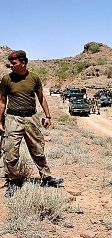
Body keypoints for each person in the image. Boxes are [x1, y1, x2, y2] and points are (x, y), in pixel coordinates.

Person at [0, 50, 63, 197]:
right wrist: (0, 121)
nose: (11, 65)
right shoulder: (6, 79)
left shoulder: (34, 78)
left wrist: (48, 116)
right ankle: (12, 182)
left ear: (23, 62)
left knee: (37, 150)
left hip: (31, 118)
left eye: (13, 63)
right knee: (10, 152)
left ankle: (47, 178)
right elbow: (2, 101)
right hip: (13, 118)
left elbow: (41, 98)